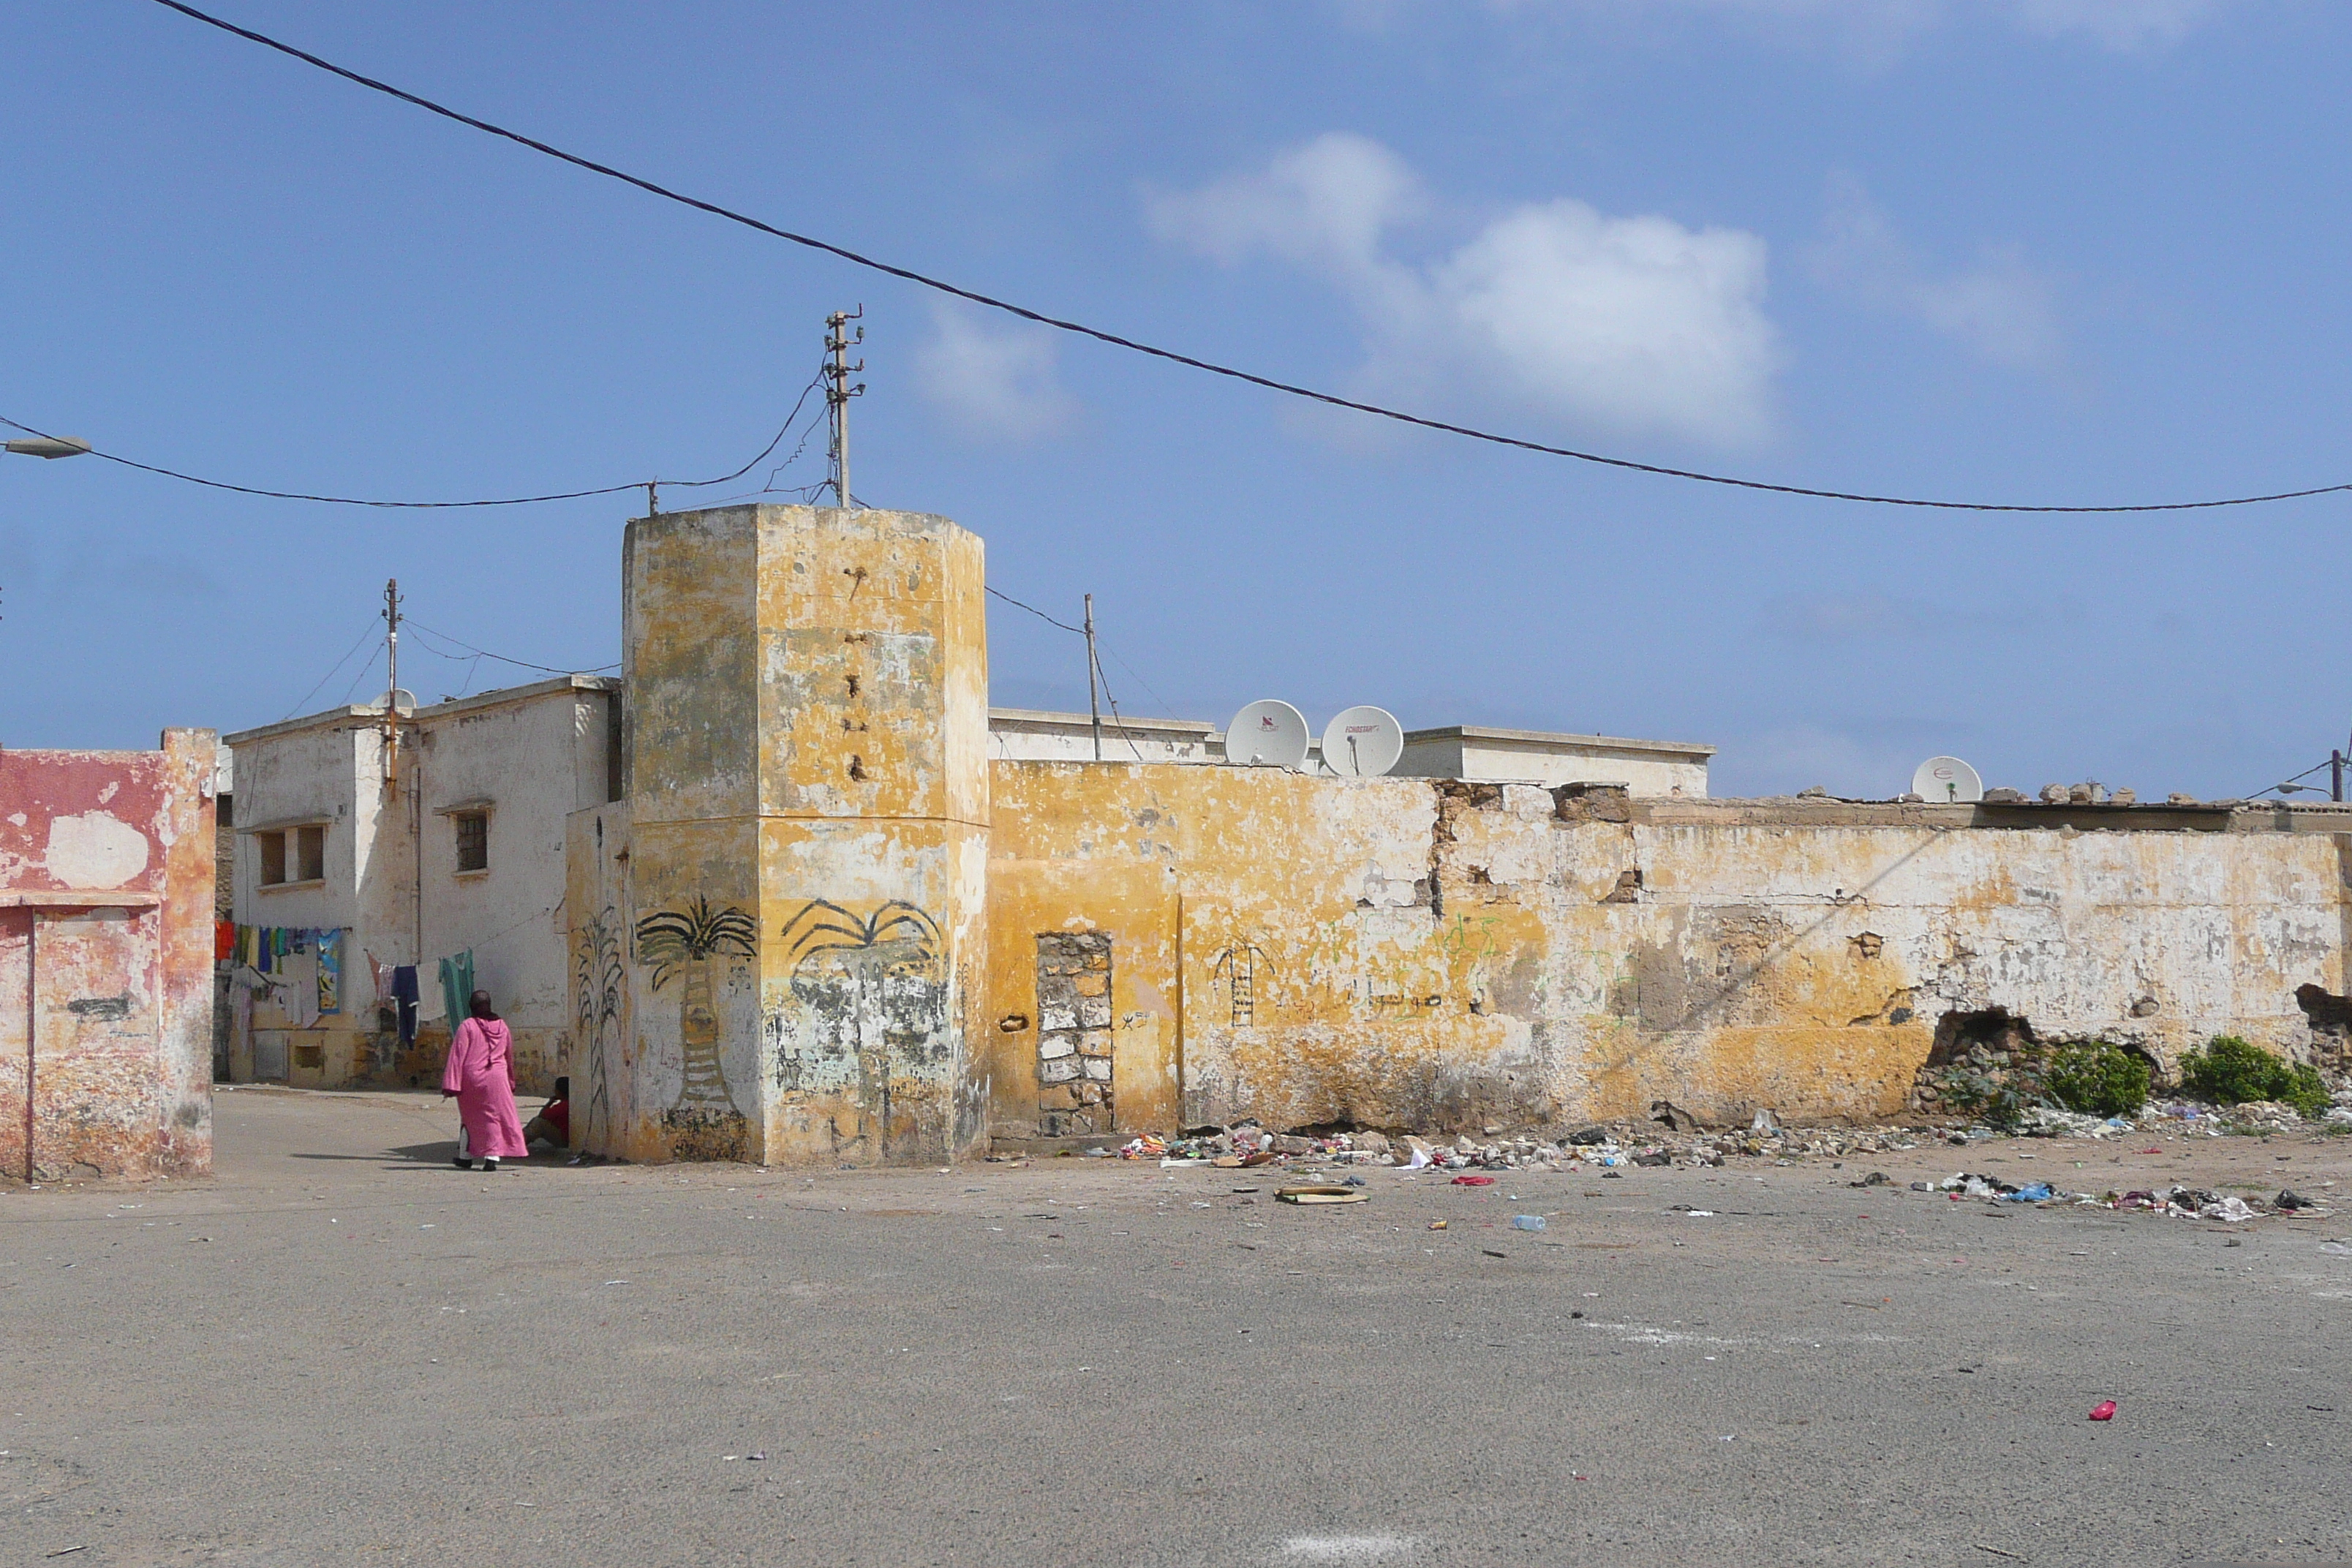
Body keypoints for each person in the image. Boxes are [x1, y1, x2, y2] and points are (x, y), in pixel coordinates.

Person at [441, 990, 527, 1171]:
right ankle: (492, 1158)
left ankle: (465, 1157)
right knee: (495, 1117)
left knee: (470, 1119)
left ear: (471, 1006)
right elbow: (508, 1055)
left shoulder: (468, 1026)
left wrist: (451, 1084)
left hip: (472, 1079)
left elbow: (458, 1056)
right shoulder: (502, 1026)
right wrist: (510, 1080)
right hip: (498, 1077)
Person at [524, 1075, 570, 1151]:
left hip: (564, 1140)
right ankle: (520, 1138)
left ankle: (520, 1143)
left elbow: (542, 1115)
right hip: (565, 1136)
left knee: (539, 1123)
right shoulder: (567, 1103)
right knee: (535, 1120)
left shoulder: (563, 1106)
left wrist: (550, 1102)